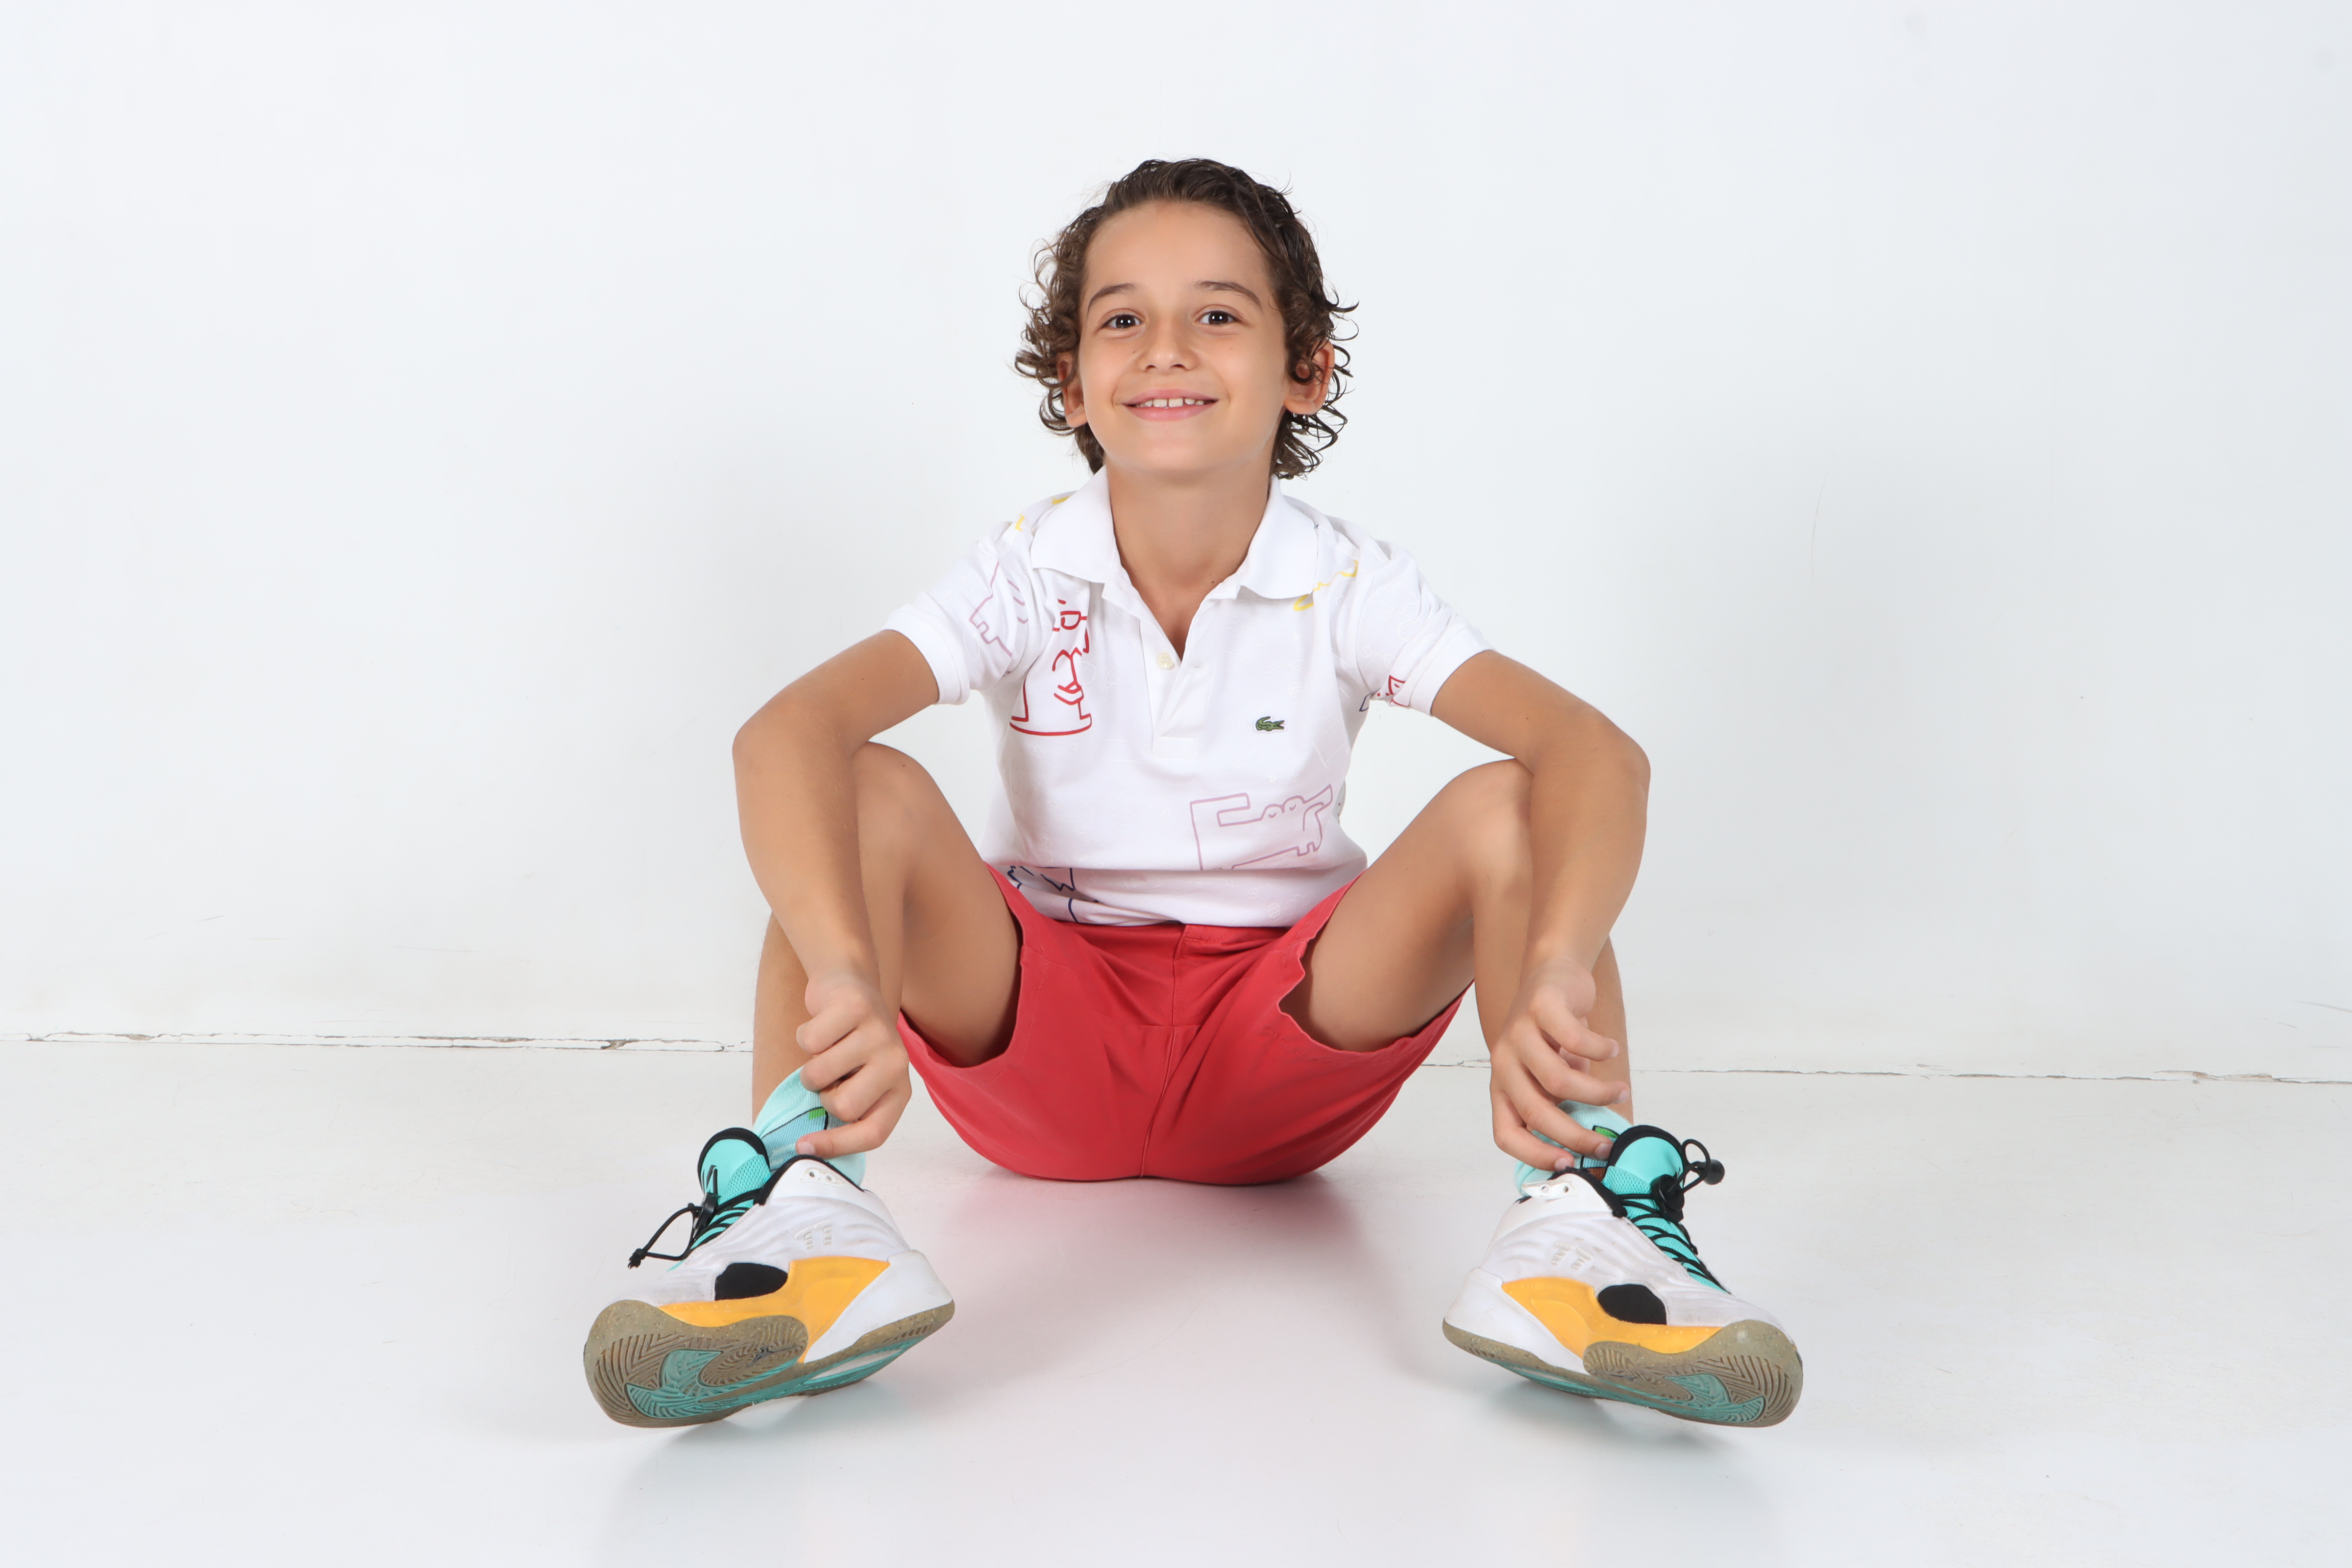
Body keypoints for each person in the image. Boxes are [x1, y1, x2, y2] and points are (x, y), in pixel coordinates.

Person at [581, 159, 1801, 1430]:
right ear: (1072, 382)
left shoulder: (1352, 584)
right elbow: (785, 734)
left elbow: (1596, 754)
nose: (1167, 347)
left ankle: (1586, 1231)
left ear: (1305, 370)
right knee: (863, 790)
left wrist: (1552, 965)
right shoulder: (1023, 572)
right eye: (1123, 318)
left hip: (1285, 1050)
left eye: (1218, 313)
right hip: (1043, 1044)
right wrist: (844, 973)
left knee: (1510, 806)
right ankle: (799, 1219)